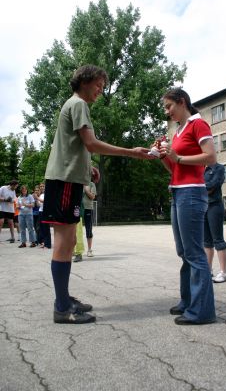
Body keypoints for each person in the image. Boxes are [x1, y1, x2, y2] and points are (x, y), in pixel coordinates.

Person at [42, 64, 152, 325]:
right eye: (99, 86)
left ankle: (64, 299)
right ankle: (61, 307)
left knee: (68, 242)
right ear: (85, 81)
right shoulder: (78, 104)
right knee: (64, 241)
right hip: (64, 181)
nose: (101, 91)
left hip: (69, 179)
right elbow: (91, 143)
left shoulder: (75, 104)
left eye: (103, 87)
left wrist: (87, 165)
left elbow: (74, 145)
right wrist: (131, 152)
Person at [158, 87, 216, 325]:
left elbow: (211, 157)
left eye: (169, 106)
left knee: (194, 253)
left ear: (182, 102)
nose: (167, 112)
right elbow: (175, 168)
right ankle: (188, 301)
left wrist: (178, 157)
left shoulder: (198, 124)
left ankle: (201, 311)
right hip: (178, 191)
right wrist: (163, 156)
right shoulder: (178, 131)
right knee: (184, 252)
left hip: (192, 192)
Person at [204, 163, 226, 283]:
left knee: (218, 239)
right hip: (202, 206)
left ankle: (224, 272)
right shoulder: (198, 167)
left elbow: (214, 184)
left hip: (214, 205)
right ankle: (208, 270)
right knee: (206, 241)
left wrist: (198, 188)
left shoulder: (218, 167)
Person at [83, 178, 97, 258]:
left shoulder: (91, 184)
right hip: (78, 209)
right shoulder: (78, 183)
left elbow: (92, 197)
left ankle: (89, 250)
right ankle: (75, 250)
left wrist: (86, 189)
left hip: (88, 208)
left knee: (88, 229)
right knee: (75, 229)